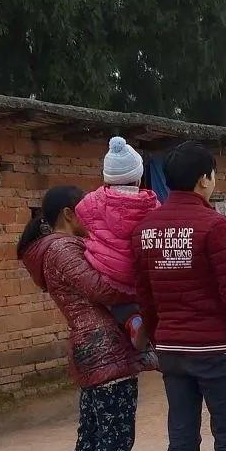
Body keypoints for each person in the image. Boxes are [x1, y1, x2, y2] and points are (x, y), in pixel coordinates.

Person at [133, 141, 226, 451]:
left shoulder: (146, 228)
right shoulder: (215, 226)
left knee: (182, 442)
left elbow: (145, 295)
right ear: (205, 179)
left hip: (172, 353)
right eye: (212, 173)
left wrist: (153, 338)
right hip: (216, 353)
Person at [18, 185, 153, 451]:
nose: (92, 219)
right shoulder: (63, 249)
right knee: (113, 443)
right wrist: (141, 280)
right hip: (106, 351)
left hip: (91, 351)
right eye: (86, 212)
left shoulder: (54, 249)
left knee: (93, 438)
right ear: (68, 214)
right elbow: (103, 288)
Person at [76, 136, 160, 350]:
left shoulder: (91, 202)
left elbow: (80, 214)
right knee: (146, 298)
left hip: (109, 276)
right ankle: (146, 327)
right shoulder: (151, 203)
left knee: (117, 302)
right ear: (138, 179)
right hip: (141, 277)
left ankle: (132, 322)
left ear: (106, 179)